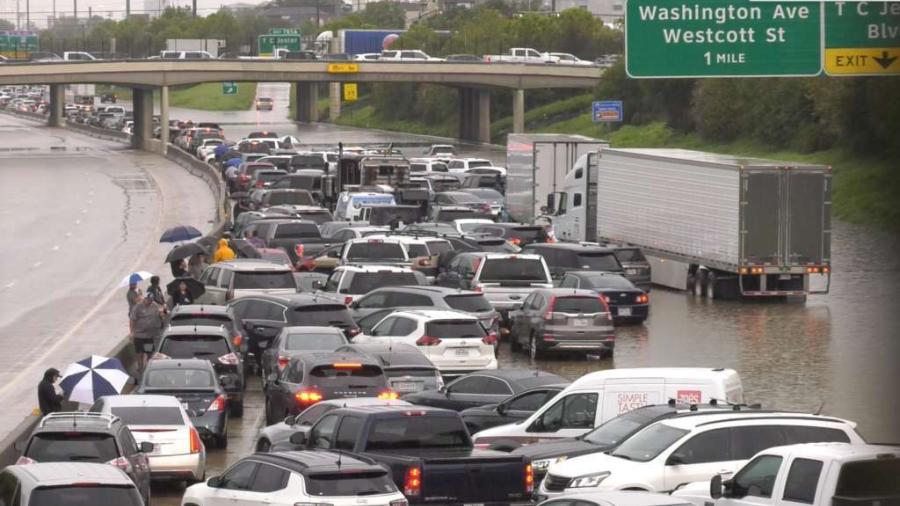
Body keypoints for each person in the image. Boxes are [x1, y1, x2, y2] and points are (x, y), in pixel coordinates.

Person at [129, 294, 166, 372]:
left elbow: (160, 312)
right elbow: (132, 320)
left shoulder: (154, 306)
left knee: (149, 352)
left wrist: (162, 313)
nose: (150, 302)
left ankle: (147, 368)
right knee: (140, 353)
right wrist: (132, 332)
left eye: (151, 300)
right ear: (145, 299)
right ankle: (140, 368)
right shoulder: (137, 307)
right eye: (148, 300)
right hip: (139, 335)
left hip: (149, 336)